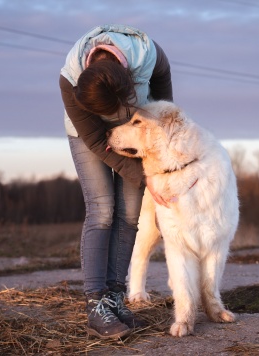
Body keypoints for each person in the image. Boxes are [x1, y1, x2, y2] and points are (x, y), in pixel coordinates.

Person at [59, 24, 173, 339]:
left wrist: (159, 121)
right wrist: (145, 177)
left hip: (134, 127)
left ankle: (114, 298)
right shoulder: (69, 80)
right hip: (88, 136)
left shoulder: (148, 55)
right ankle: (96, 308)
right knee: (103, 210)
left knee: (130, 214)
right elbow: (97, 141)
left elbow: (163, 84)